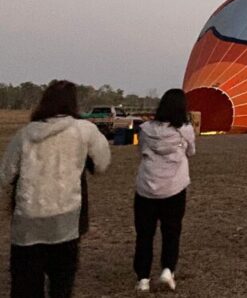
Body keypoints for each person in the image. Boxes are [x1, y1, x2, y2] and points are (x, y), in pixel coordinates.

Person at [0, 80, 111, 298]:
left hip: (28, 223)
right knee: (61, 286)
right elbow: (101, 164)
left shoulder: (25, 134)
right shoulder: (84, 130)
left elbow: (6, 175)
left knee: (25, 287)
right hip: (65, 221)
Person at [133, 88, 196, 292]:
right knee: (171, 231)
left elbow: (141, 150)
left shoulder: (145, 129)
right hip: (174, 188)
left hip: (146, 189)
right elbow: (191, 151)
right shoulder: (184, 130)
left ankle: (142, 279)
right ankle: (168, 270)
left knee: (144, 234)